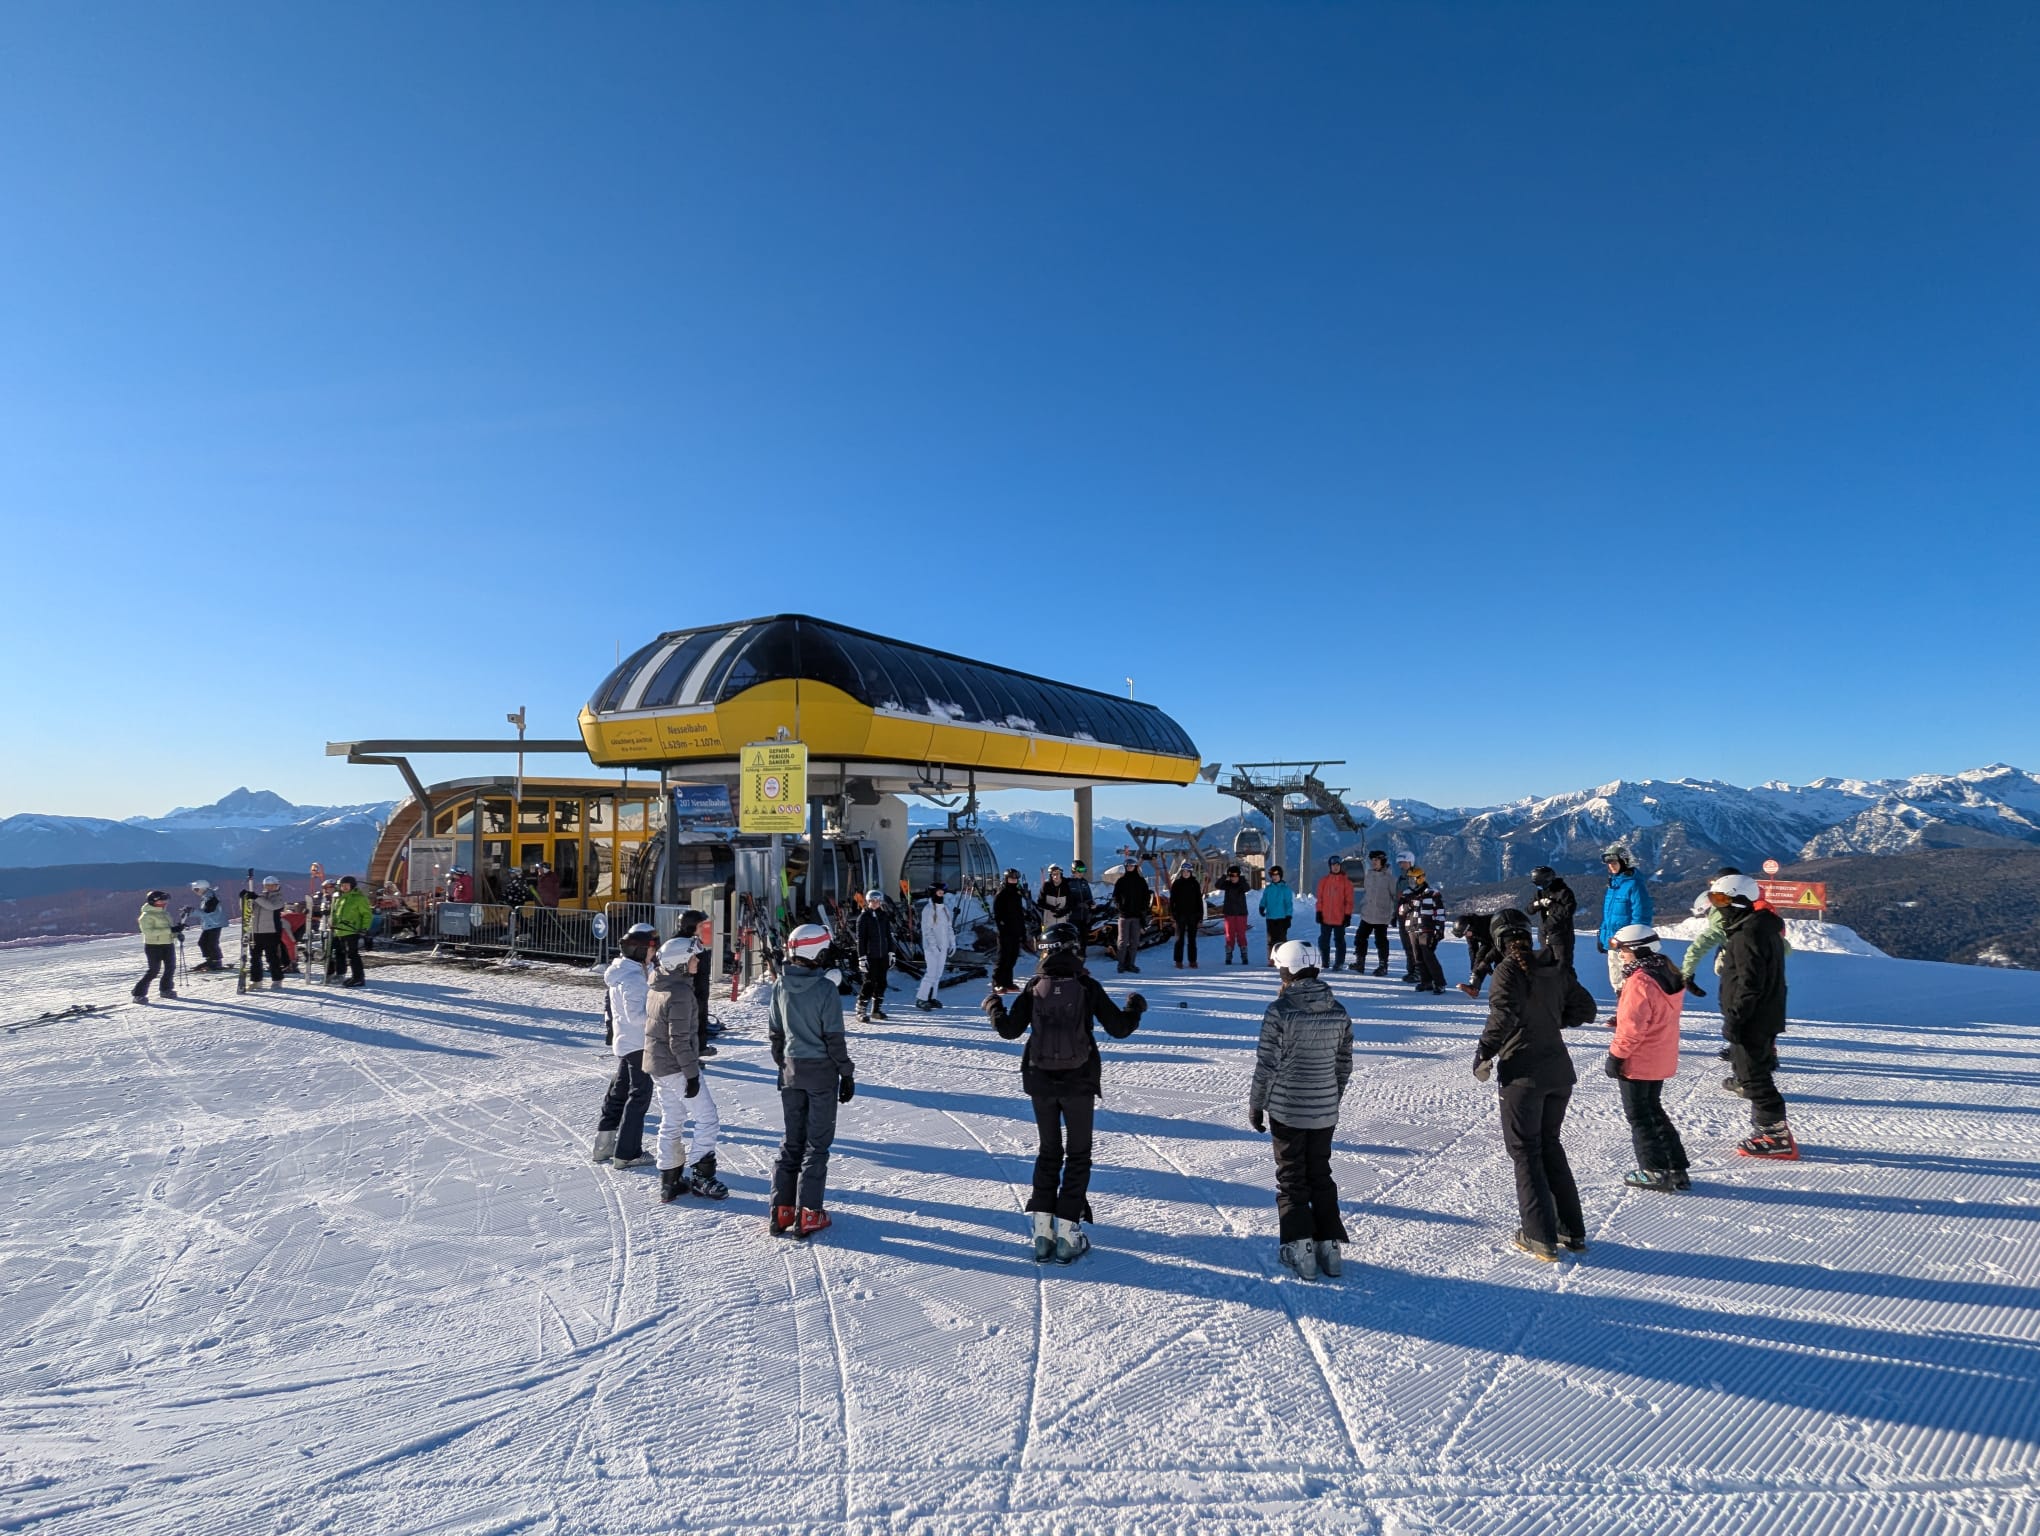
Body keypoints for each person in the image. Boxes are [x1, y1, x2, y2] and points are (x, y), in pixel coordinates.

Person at [982, 921, 1146, 1264]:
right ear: (1074, 949)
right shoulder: (1086, 985)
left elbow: (1009, 1030)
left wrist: (994, 1006)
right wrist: (1135, 1007)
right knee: (1078, 1155)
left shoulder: (1034, 986)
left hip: (1040, 1080)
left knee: (1049, 1153)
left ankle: (1043, 1234)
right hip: (1078, 1081)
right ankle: (1068, 1235)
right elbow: (1119, 1028)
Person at [1472, 909, 1599, 1261]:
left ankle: (1539, 1235)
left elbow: (1503, 1015)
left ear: (1498, 940)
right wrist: (1552, 1018)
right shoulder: (1554, 965)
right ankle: (1571, 1230)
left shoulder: (1507, 970)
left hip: (1523, 1074)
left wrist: (1484, 1052)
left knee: (1526, 1152)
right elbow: (1586, 1009)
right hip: (1558, 1072)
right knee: (1549, 1146)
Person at [1249, 939, 1354, 1282]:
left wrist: (1257, 1104)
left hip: (1287, 1110)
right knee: (1320, 1173)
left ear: (1288, 971)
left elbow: (1267, 1065)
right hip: (1324, 1110)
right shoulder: (1338, 1010)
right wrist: (1330, 1097)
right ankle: (1329, 1248)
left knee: (1292, 1176)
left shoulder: (1280, 1011)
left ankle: (1300, 1248)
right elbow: (1344, 1064)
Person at [769, 923, 857, 1238]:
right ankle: (808, 1213)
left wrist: (785, 1065)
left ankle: (782, 1211)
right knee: (816, 1145)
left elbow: (776, 1034)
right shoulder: (825, 989)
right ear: (816, 952)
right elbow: (834, 1039)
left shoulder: (780, 985)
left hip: (791, 1072)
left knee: (792, 1141)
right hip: (821, 1075)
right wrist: (846, 1072)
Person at [1713, 873, 1798, 1160]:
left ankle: (1776, 1136)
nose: (1717, 906)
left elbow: (1751, 983)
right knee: (1750, 1072)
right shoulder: (1757, 928)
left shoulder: (1748, 934)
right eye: (1714, 899)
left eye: (1721, 899)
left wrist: (1736, 1018)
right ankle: (1766, 1129)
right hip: (1762, 1014)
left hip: (1753, 1017)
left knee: (1753, 1077)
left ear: (1738, 901)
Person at [1603, 923, 1691, 1191]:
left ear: (1640, 950)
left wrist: (1616, 1056)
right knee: (1653, 1110)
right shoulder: (1665, 971)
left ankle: (1654, 1171)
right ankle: (1675, 1168)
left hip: (1639, 1060)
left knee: (1640, 1116)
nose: (1620, 954)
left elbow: (1632, 1029)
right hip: (1659, 1055)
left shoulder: (1640, 981)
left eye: (1622, 949)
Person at [646, 934, 727, 1202]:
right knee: (707, 1117)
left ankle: (669, 1180)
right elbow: (679, 1041)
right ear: (679, 962)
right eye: (692, 958)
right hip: (676, 1067)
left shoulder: (659, 984)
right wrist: (691, 1075)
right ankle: (702, 1176)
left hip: (659, 1065)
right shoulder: (679, 994)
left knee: (673, 1118)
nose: (697, 962)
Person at [592, 923, 659, 1169]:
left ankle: (604, 1145)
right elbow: (636, 1016)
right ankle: (627, 1153)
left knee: (619, 1092)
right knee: (639, 1096)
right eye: (651, 949)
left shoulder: (631, 972)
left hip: (629, 1043)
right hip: (638, 1044)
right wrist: (661, 1014)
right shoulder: (632, 979)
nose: (654, 953)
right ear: (640, 951)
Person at [1677, 866, 1752, 1000]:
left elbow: (1696, 949)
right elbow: (1783, 946)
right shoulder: (1753, 910)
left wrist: (1686, 975)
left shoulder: (1721, 925)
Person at [1597, 844, 1654, 992]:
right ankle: (1621, 1004)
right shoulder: (1613, 886)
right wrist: (1602, 936)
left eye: (1614, 862)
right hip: (1612, 941)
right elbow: (1608, 916)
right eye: (1609, 863)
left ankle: (1631, 1005)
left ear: (1624, 862)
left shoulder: (1634, 885)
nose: (1611, 866)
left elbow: (1641, 915)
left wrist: (1634, 941)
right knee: (1616, 979)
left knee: (1630, 980)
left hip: (1627, 944)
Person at [1404, 868, 1448, 994]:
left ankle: (1440, 983)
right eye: (1409, 879)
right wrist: (1409, 905)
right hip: (1412, 928)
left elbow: (1440, 913)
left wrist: (1439, 929)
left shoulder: (1432, 893)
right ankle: (1426, 981)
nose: (1411, 882)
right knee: (1418, 957)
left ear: (1420, 879)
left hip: (1427, 929)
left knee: (1428, 955)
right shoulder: (1407, 893)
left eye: (1413, 879)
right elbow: (1401, 910)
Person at [1528, 866, 1578, 974]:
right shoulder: (1540, 893)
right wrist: (1538, 904)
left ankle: (1568, 984)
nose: (1539, 887)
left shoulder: (1564, 892)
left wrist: (1552, 904)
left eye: (1540, 883)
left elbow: (1567, 912)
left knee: (1563, 968)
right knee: (1547, 968)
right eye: (1536, 884)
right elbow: (1529, 910)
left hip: (1561, 937)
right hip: (1544, 936)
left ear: (1547, 880)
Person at [242, 877, 290, 989]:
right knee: (254, 957)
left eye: (272, 885)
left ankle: (277, 979)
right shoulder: (260, 897)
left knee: (272, 957)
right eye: (267, 885)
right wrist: (244, 899)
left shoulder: (278, 898)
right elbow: (247, 910)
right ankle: (256, 980)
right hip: (255, 932)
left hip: (271, 931)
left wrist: (256, 897)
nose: (270, 888)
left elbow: (271, 906)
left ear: (277, 886)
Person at [132, 890, 180, 1002]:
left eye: (165, 900)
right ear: (153, 901)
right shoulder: (146, 916)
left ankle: (166, 989)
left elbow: (169, 930)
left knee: (170, 968)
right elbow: (149, 932)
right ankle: (138, 994)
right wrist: (170, 930)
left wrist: (177, 933)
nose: (164, 903)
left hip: (168, 944)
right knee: (154, 970)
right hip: (153, 946)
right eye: (161, 900)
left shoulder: (165, 914)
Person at [1356, 850, 1397, 977]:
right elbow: (1367, 893)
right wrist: (1363, 906)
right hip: (1367, 914)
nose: (1374, 862)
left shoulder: (1389, 878)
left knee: (1381, 941)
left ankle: (1383, 966)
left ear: (1382, 861)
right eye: (1372, 860)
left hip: (1382, 916)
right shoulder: (1368, 875)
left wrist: (1394, 914)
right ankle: (1360, 962)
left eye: (1377, 860)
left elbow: (1395, 896)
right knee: (1360, 938)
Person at [915, 883, 956, 1010]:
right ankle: (921, 998)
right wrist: (933, 946)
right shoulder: (928, 910)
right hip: (931, 948)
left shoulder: (944, 909)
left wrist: (952, 943)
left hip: (943, 947)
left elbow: (949, 927)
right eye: (939, 893)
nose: (941, 895)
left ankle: (931, 997)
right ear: (933, 893)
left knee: (938, 974)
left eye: (943, 893)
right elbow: (927, 931)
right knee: (931, 973)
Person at [855, 889, 893, 1021]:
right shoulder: (864, 918)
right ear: (868, 901)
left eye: (878, 901)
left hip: (883, 955)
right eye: (872, 901)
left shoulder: (884, 916)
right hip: (870, 955)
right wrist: (861, 957)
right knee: (869, 982)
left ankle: (876, 1010)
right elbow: (861, 939)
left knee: (882, 982)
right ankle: (861, 1010)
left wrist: (891, 952)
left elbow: (888, 936)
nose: (875, 903)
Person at [329, 876, 373, 987]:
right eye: (342, 885)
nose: (344, 887)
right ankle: (340, 974)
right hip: (339, 930)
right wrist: (332, 922)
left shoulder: (359, 898)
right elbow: (335, 913)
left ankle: (358, 978)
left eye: (346, 885)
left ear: (352, 886)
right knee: (338, 953)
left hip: (352, 930)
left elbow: (367, 914)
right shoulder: (339, 898)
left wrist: (364, 928)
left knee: (352, 954)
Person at [1110, 856, 1151, 974]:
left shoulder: (1141, 881)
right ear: (1125, 867)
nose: (1130, 867)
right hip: (1124, 915)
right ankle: (1121, 964)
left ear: (1135, 867)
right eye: (1128, 865)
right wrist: (1120, 907)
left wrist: (1144, 909)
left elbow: (1146, 896)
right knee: (1122, 941)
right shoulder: (1121, 881)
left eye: (1132, 865)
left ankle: (1131, 964)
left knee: (1134, 942)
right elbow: (1115, 896)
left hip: (1137, 916)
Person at [1313, 856, 1355, 971]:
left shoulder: (1346, 883)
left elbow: (1349, 901)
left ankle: (1339, 962)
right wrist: (1319, 912)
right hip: (1326, 917)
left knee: (1339, 940)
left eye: (1337, 865)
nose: (1335, 867)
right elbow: (1320, 899)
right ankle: (1324, 961)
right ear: (1330, 866)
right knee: (1323, 940)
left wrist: (1347, 915)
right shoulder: (1324, 881)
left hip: (1339, 917)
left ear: (1340, 866)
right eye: (1333, 865)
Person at [993, 868, 1029, 991]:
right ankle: (997, 982)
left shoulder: (1017, 894)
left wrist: (1023, 932)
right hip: (1005, 932)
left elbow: (1019, 914)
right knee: (1003, 957)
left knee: (1012, 957)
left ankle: (1008, 982)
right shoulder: (1002, 893)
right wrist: (1002, 928)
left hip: (1016, 930)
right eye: (1011, 879)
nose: (1013, 881)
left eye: (1015, 879)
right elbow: (997, 915)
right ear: (1006, 879)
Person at [1168, 863, 1205, 969]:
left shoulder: (1195, 883)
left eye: (1187, 871)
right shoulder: (1177, 883)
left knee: (1192, 939)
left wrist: (1200, 917)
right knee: (1179, 939)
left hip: (1193, 915)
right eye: (1183, 871)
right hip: (1180, 915)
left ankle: (1192, 961)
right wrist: (1172, 915)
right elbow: (1172, 901)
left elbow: (1199, 901)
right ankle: (1178, 961)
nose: (1185, 873)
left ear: (1191, 872)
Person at [1453, 911, 1498, 998]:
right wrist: (1474, 970)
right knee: (1479, 958)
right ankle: (1474, 988)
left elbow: (1496, 944)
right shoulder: (1468, 933)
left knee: (1498, 963)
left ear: (1469, 927)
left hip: (1499, 940)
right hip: (1487, 942)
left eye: (1465, 933)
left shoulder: (1484, 924)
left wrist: (1487, 962)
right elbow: (1473, 950)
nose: (1466, 936)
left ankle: (1505, 988)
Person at [187, 881, 229, 970]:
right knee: (203, 942)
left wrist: (192, 912)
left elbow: (208, 912)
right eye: (194, 890)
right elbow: (206, 912)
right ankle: (210, 960)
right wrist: (191, 911)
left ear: (203, 888)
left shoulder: (211, 897)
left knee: (212, 943)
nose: (195, 892)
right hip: (210, 923)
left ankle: (216, 961)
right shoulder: (206, 897)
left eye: (196, 889)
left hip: (215, 923)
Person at [1254, 864, 1290, 963]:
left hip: (1282, 918)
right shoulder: (1269, 888)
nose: (1274, 877)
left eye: (1276, 875)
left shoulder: (1285, 889)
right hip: (1270, 917)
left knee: (1281, 939)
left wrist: (1289, 916)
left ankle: (1282, 958)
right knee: (1271, 940)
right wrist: (1262, 907)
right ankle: (1271, 959)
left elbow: (1288, 904)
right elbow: (1264, 899)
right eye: (1272, 875)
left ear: (1280, 875)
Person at [1037, 865, 1074, 937]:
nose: (1056, 876)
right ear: (1050, 875)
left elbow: (1071, 903)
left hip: (1063, 920)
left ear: (1061, 874)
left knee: (1062, 937)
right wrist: (1051, 908)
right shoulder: (1046, 885)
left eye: (1057, 874)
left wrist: (1064, 911)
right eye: (1053, 874)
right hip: (1048, 920)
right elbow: (1040, 902)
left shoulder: (1066, 885)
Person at [1069, 859, 1096, 956]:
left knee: (1084, 936)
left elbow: (1089, 896)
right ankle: (1073, 955)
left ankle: (1082, 953)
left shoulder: (1084, 882)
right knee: (1074, 936)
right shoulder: (1069, 883)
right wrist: (1077, 904)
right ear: (1074, 870)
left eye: (1083, 870)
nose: (1081, 873)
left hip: (1084, 915)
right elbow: (1067, 899)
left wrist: (1091, 903)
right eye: (1079, 870)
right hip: (1073, 916)